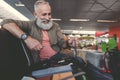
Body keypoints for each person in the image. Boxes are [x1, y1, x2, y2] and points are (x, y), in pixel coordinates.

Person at [1, 0, 85, 79]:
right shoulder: (30, 25)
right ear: (35, 14)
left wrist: (69, 43)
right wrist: (26, 38)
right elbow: (6, 22)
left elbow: (62, 43)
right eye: (44, 14)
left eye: (49, 14)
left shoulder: (55, 26)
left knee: (80, 63)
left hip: (57, 59)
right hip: (42, 64)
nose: (48, 18)